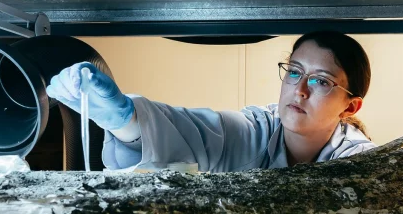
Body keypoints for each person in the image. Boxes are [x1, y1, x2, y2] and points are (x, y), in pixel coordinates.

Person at [47, 31, 376, 172]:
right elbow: (197, 130)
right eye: (294, 72)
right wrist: (125, 119)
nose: (299, 89)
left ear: (350, 106)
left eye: (320, 81)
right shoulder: (257, 130)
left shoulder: (361, 162)